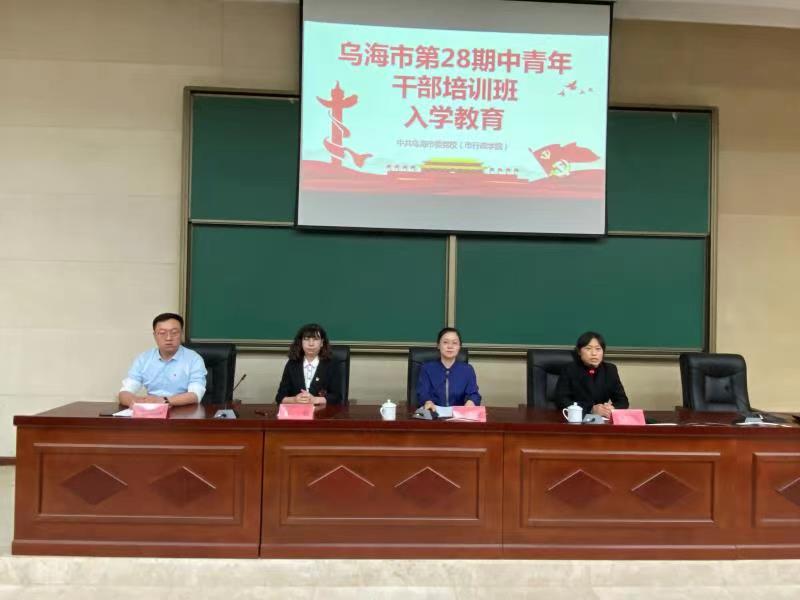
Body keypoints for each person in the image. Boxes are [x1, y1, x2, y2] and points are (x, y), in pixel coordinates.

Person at [118, 313, 207, 407]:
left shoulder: (194, 359)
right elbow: (125, 392)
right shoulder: (143, 359)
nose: (168, 338)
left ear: (181, 334)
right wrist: (136, 402)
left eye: (174, 332)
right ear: (155, 335)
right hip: (152, 411)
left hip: (183, 410)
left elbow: (196, 394)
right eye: (162, 333)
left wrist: (164, 401)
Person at [555, 331, 629, 417]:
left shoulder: (610, 370)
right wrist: (591, 409)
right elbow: (561, 400)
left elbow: (623, 401)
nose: (594, 353)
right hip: (576, 419)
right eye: (588, 348)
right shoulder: (570, 369)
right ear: (579, 351)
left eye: (598, 349)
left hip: (601, 420)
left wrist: (611, 408)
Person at [275, 323, 342, 405]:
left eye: (315, 339)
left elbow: (337, 397)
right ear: (301, 342)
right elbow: (280, 397)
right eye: (306, 339)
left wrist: (316, 400)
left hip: (322, 411)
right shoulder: (292, 363)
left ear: (322, 343)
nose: (311, 344)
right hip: (297, 411)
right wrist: (294, 400)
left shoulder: (331, 364)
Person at [416, 327, 481, 410]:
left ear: (459, 346)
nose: (450, 346)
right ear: (438, 345)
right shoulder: (427, 368)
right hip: (434, 413)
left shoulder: (467, 370)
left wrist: (471, 402)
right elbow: (423, 393)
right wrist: (427, 402)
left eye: (454, 343)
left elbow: (474, 394)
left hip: (458, 415)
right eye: (445, 342)